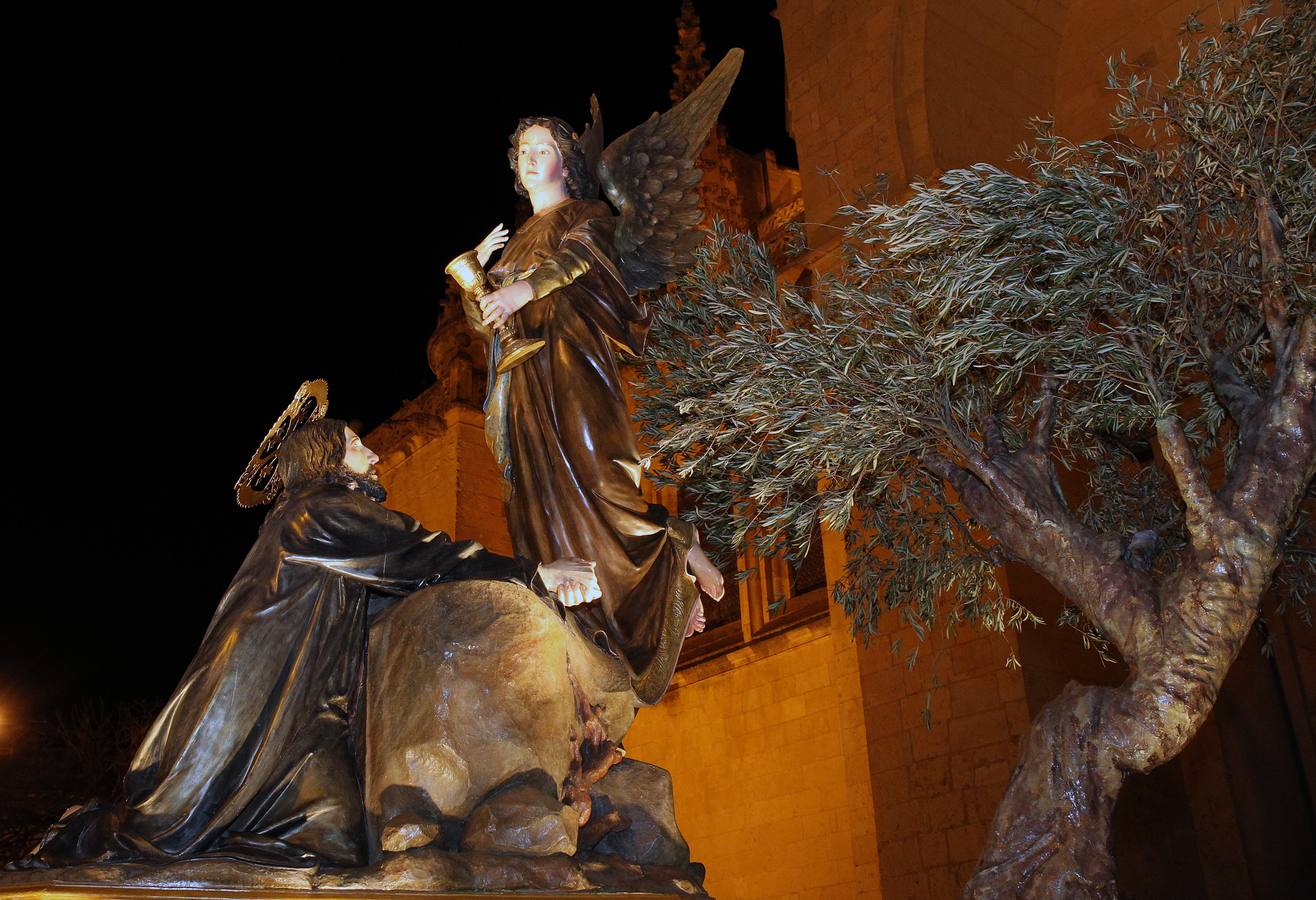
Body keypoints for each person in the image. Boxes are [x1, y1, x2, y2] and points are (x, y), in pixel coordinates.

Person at [13, 418, 598, 869]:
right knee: (176, 824)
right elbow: (418, 553)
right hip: (255, 688)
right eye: (356, 444)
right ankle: (89, 835)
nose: (372, 453)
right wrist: (535, 573)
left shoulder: (322, 517)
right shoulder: (315, 513)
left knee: (332, 835)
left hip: (311, 709)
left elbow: (400, 586)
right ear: (326, 458)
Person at [458, 116, 723, 705]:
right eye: (522, 149)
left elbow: (581, 260)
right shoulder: (513, 241)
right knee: (537, 508)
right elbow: (487, 328)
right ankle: (585, 638)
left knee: (601, 479)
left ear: (567, 162)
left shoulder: (587, 215)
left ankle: (675, 551)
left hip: (574, 363)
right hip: (524, 383)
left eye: (543, 148)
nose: (530, 157)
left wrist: (523, 288)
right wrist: (474, 282)